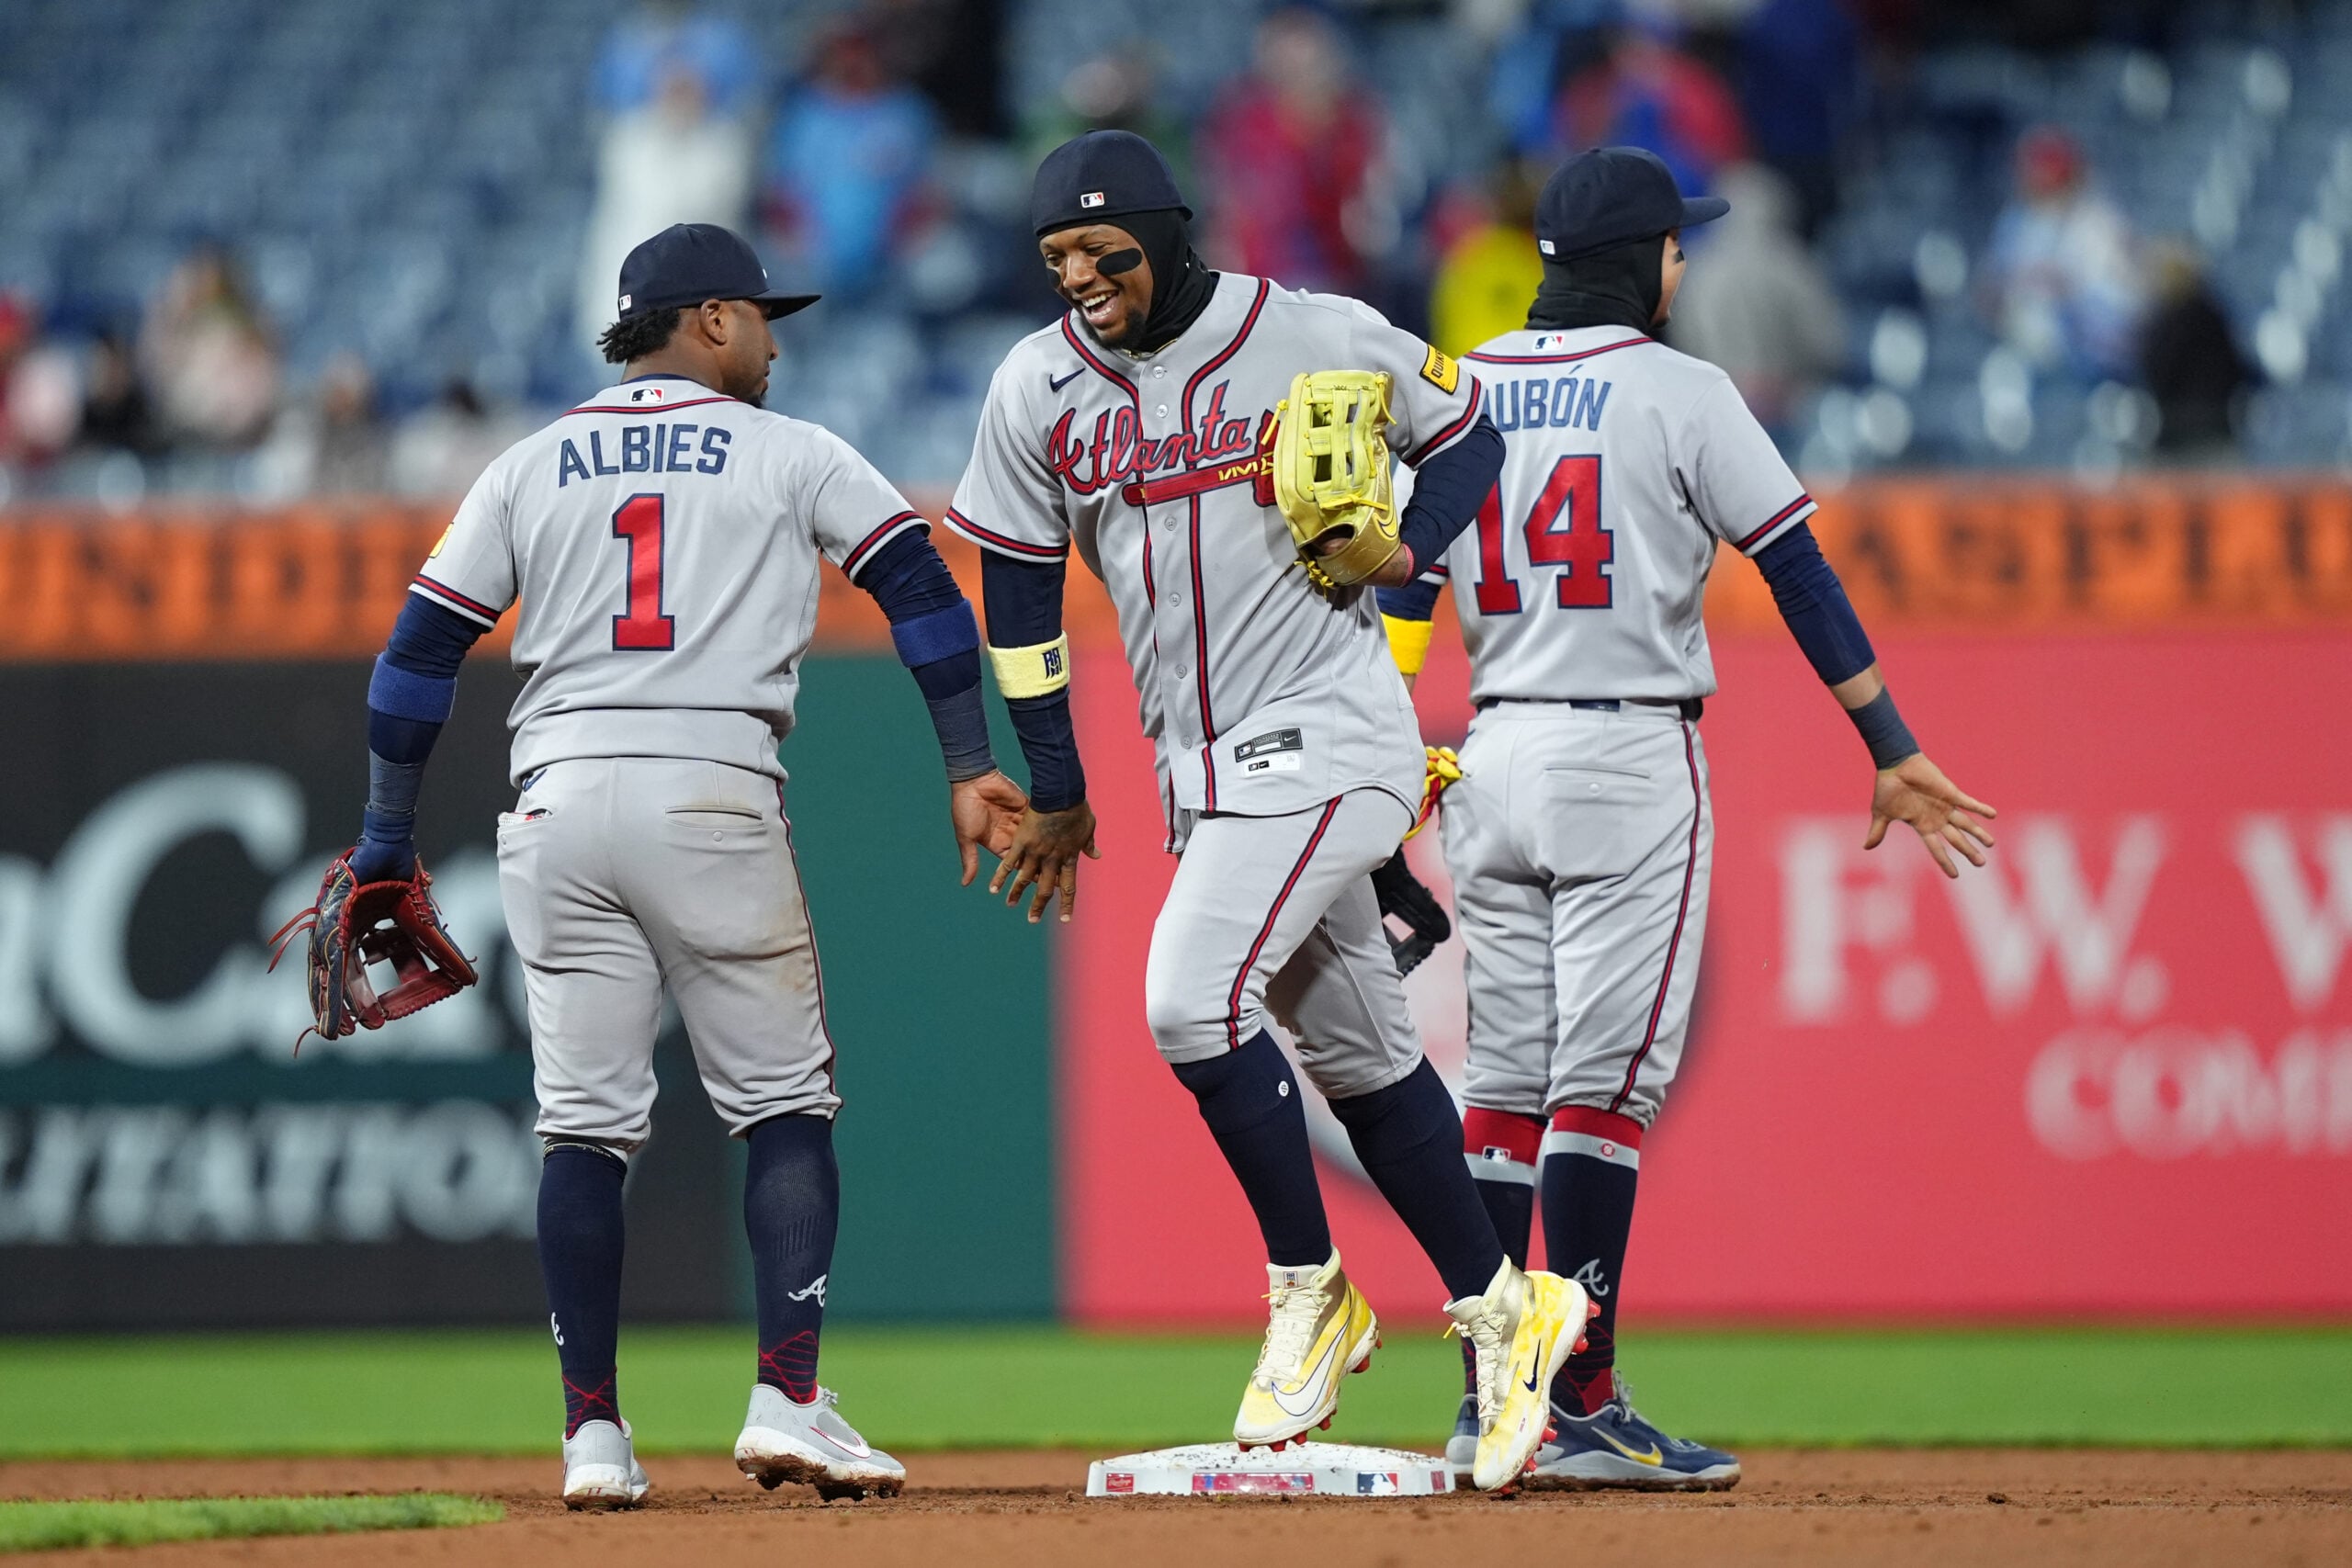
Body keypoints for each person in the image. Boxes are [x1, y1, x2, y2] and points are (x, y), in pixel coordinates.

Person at [337, 223, 1028, 1506]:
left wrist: (385, 835)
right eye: (762, 315)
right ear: (708, 318)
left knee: (583, 1125)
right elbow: (921, 584)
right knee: (784, 1105)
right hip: (708, 787)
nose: (775, 340)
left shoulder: (528, 462)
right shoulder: (789, 448)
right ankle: (790, 1398)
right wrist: (963, 757)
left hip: (552, 804)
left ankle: (593, 1437)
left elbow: (416, 655)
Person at [946, 130, 1592, 1492]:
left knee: (1189, 998)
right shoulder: (1038, 385)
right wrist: (1056, 785)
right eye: (1057, 255)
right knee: (1364, 1059)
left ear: (1172, 235)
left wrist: (1416, 547)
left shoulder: (1306, 330)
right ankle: (1505, 1307)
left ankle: (1311, 1284)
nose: (1082, 276)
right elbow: (1016, 599)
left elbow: (1469, 424)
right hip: (1201, 770)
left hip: (1335, 732)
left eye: (1106, 250)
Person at [1377, 147, 1998, 1490]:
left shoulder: (1460, 382)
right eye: (1675, 244)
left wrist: (1381, 773)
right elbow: (1797, 566)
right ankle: (1583, 1400)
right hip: (1624, 752)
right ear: (1640, 258)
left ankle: (1495, 1401)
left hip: (1484, 754)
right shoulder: (1681, 387)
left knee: (1505, 1091)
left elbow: (1401, 594)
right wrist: (1888, 742)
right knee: (1600, 1093)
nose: (1683, 263)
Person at [1197, 7, 1388, 296]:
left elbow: (1368, 206)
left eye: (1307, 65)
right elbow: (1228, 207)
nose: (1298, 75)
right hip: (1262, 280)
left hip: (1338, 275)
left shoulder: (1352, 123)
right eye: (1288, 65)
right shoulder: (1244, 124)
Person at [1664, 162, 1845, 435]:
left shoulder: (1695, 268)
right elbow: (1827, 344)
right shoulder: (1792, 261)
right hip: (1788, 407)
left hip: (1717, 405)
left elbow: (1684, 341)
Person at [1981, 127, 2144, 381]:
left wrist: (2070, 292)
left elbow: (2124, 299)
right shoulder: (2016, 223)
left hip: (2096, 358)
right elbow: (1994, 289)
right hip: (2032, 354)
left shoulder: (2099, 220)